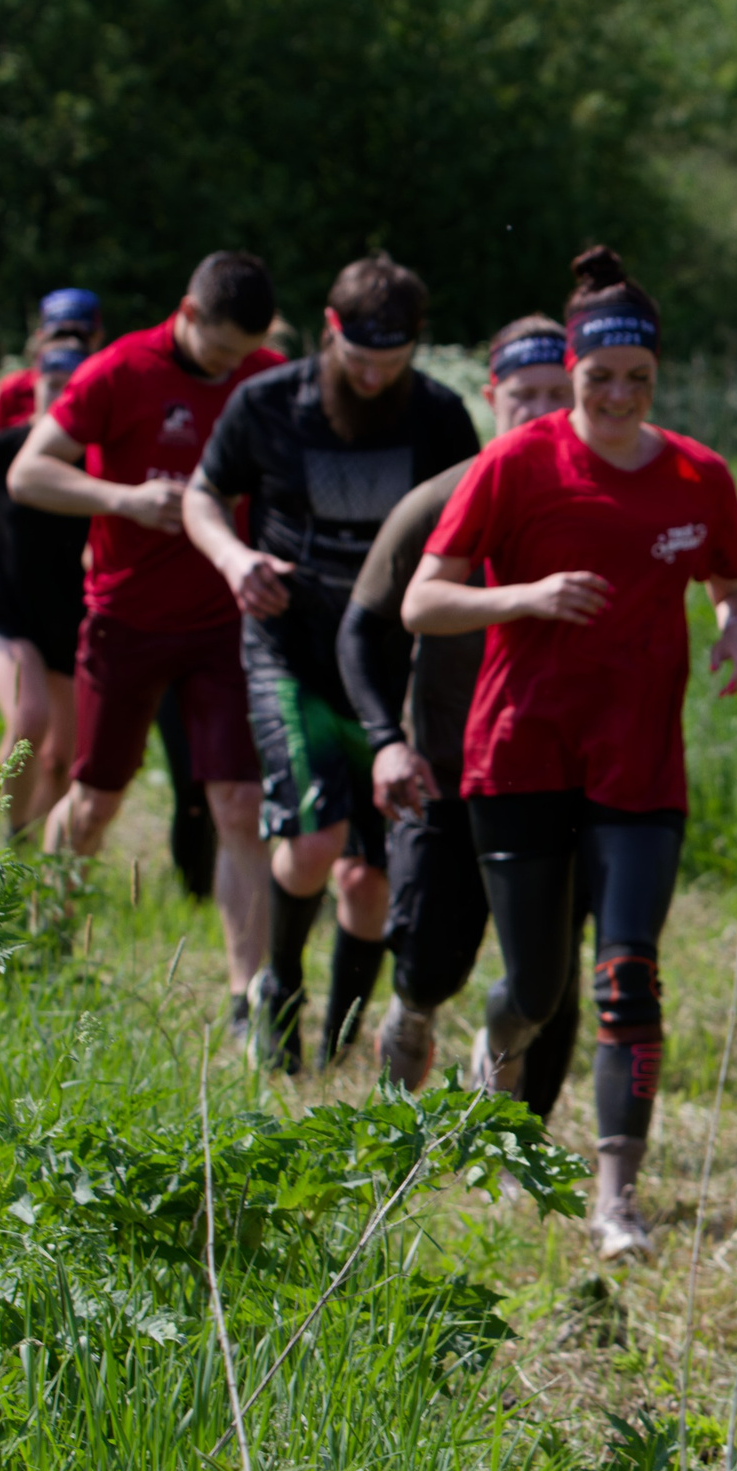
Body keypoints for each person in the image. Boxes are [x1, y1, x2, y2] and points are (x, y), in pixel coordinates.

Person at [402, 246, 737, 1261]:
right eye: (598, 378)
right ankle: (497, 1046)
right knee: (538, 989)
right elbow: (423, 600)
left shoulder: (700, 475)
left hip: (640, 763)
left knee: (629, 977)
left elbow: (736, 582)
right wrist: (525, 596)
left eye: (636, 380)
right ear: (571, 372)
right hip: (521, 752)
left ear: (658, 378)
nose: (615, 396)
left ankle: (616, 1203)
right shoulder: (516, 465)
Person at [183, 254, 480, 1074]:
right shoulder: (269, 403)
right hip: (291, 646)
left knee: (367, 879)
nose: (375, 375)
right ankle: (275, 988)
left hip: (391, 664)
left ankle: (341, 1036)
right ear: (329, 328)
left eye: (393, 360)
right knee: (312, 840)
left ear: (417, 345)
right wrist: (235, 559)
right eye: (359, 358)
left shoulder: (441, 417)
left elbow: (468, 532)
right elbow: (202, 495)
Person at [12, 251, 284, 1037]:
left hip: (226, 620)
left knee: (237, 801)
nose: (233, 368)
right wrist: (122, 498)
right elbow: (30, 474)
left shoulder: (266, 377)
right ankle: (44, 945)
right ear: (187, 314)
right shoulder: (117, 370)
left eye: (246, 354)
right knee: (95, 802)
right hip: (126, 619)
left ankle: (247, 1000)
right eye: (221, 350)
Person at [339, 315, 582, 1113]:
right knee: (431, 960)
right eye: (525, 395)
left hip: (557, 774)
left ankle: (518, 1137)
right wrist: (383, 741)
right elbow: (365, 629)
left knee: (551, 973)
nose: (542, 409)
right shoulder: (439, 501)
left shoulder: (600, 502)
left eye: (557, 392)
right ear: (492, 397)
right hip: (446, 769)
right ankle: (409, 1026)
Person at [0, 337, 92, 836]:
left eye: (69, 388)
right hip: (9, 618)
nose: (57, 396)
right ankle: (7, 846)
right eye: (50, 384)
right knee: (29, 721)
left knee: (63, 758)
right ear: (35, 383)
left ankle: (32, 850)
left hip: (71, 625)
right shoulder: (1, 453)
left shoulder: (95, 464)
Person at [0, 287, 105, 433]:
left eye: (80, 336)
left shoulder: (108, 389)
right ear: (40, 336)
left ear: (98, 337)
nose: (70, 343)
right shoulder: (14, 390)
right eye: (59, 334)